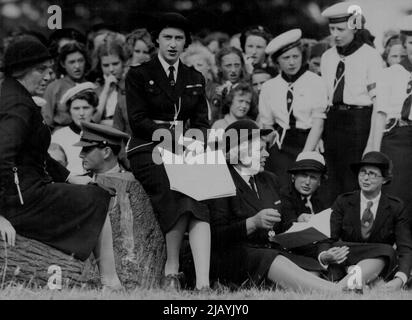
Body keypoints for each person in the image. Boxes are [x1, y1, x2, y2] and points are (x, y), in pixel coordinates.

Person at [0, 36, 121, 291]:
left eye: (48, 69)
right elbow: (1, 158)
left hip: (26, 194)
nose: (47, 76)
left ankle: (108, 279)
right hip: (22, 202)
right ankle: (110, 282)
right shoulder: (17, 106)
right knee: (96, 197)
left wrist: (68, 177)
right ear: (21, 71)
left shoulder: (15, 95)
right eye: (41, 70)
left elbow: (35, 153)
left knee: (92, 193)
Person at [210, 119, 352, 292]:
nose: (267, 155)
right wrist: (252, 223)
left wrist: (302, 228)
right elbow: (215, 236)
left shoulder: (269, 179)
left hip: (270, 251)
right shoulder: (221, 179)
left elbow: (283, 224)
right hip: (235, 255)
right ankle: (336, 291)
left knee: (311, 265)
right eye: (259, 149)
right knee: (274, 259)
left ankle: (320, 286)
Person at [125, 12, 211, 291]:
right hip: (147, 147)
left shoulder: (194, 77)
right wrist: (171, 141)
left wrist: (191, 144)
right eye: (167, 37)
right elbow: (137, 120)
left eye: (179, 38)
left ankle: (203, 283)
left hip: (185, 148)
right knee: (173, 185)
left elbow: (201, 122)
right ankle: (171, 268)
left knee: (198, 193)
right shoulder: (139, 74)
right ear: (157, 41)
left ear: (186, 43)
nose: (173, 44)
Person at [317, 152, 412, 291]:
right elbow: (328, 238)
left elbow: (405, 248)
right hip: (347, 257)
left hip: (380, 260)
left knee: (388, 251)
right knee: (339, 249)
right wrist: (325, 255)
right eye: (362, 173)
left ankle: (347, 282)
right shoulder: (343, 201)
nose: (366, 178)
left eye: (372, 174)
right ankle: (356, 281)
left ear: (384, 179)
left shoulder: (395, 207)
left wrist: (400, 279)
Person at [320, 2, 384, 206]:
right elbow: (325, 97)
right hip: (333, 121)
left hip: (359, 122)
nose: (335, 34)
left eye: (341, 29)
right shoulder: (327, 57)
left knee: (354, 179)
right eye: (332, 29)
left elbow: (377, 102)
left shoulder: (370, 55)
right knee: (333, 178)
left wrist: (372, 143)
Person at [259, 29, 327, 186]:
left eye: (295, 57)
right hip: (282, 144)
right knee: (281, 187)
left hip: (308, 141)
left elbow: (318, 123)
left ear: (302, 56)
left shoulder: (315, 82)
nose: (291, 62)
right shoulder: (269, 87)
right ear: (277, 61)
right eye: (286, 58)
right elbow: (267, 123)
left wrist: (306, 155)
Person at [367, 16, 412, 212]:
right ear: (404, 45)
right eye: (411, 43)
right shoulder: (391, 74)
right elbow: (380, 115)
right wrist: (375, 156)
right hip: (398, 139)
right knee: (399, 194)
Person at [50, 82, 98, 174]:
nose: (81, 113)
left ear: (94, 109)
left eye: (86, 108)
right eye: (76, 108)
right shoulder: (59, 136)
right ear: (69, 111)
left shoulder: (104, 133)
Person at [42, 42, 89, 130]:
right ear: (63, 64)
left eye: (80, 60)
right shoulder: (53, 87)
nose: (77, 66)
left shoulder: (91, 86)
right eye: (72, 62)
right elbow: (47, 120)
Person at [280, 151, 328, 231]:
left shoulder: (318, 203)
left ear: (319, 182)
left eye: (313, 177)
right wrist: (298, 220)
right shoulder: (283, 197)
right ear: (293, 177)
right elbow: (285, 227)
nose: (307, 182)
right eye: (303, 175)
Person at [91, 34, 128, 126]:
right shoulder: (97, 89)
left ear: (123, 62)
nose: (111, 69)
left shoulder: (132, 86)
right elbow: (93, 121)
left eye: (115, 64)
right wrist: (106, 91)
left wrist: (104, 123)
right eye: (106, 65)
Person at [209, 46, 251, 123]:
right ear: (219, 67)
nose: (233, 70)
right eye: (228, 66)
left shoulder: (248, 89)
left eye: (237, 65)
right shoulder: (211, 89)